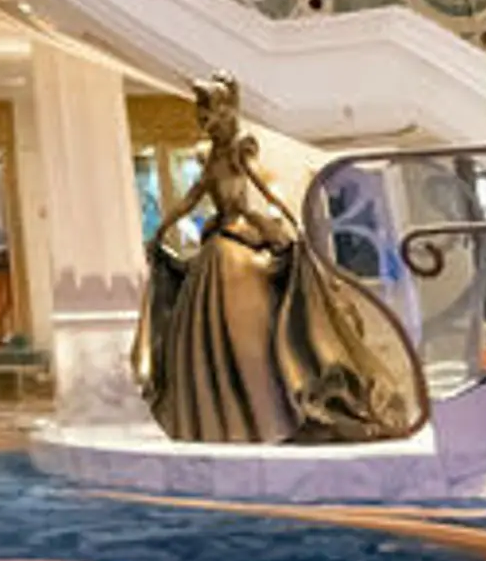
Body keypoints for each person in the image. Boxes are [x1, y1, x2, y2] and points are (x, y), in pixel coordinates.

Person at [134, 75, 428, 444]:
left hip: (238, 245)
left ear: (226, 115)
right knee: (214, 338)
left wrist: (287, 221)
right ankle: (227, 421)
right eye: (203, 117)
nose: (207, 123)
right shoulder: (211, 162)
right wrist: (162, 229)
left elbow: (257, 189)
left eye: (211, 115)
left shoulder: (240, 154)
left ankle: (273, 412)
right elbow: (192, 198)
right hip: (220, 248)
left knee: (249, 336)